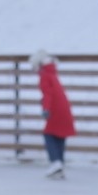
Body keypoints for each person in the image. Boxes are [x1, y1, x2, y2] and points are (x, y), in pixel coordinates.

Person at [29, 49, 76, 179]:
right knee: (59, 135)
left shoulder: (44, 75)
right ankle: (59, 165)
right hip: (64, 108)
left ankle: (55, 162)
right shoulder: (52, 72)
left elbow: (48, 94)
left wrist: (46, 108)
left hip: (55, 109)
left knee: (49, 134)